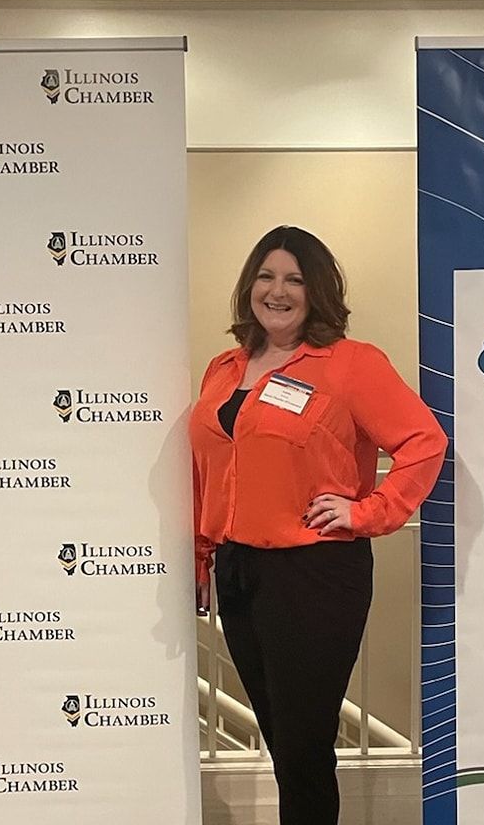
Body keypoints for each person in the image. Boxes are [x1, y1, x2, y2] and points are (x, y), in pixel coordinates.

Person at [189, 225, 447, 825]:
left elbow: (423, 442)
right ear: (250, 285)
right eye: (267, 276)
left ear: (318, 292)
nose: (278, 292)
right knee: (284, 743)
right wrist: (203, 556)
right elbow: (211, 470)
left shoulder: (350, 365)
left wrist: (368, 511)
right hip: (240, 569)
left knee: (303, 746)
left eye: (295, 280)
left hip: (315, 573)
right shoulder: (224, 369)